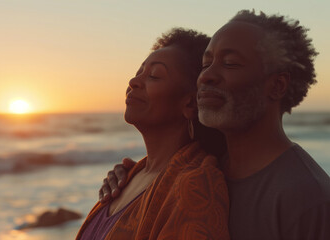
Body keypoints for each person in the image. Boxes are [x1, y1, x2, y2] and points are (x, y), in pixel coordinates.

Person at [101, 10, 330, 240]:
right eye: (205, 64)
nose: (206, 76)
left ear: (277, 85)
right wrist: (132, 181)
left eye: (230, 63)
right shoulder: (202, 172)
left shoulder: (307, 197)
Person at [76, 28, 230, 240]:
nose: (134, 82)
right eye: (139, 72)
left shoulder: (195, 185)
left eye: (154, 76)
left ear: (190, 103)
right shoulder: (129, 177)